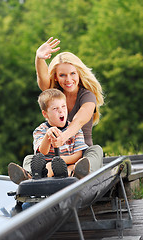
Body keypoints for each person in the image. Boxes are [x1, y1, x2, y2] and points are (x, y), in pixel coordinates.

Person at [35, 37, 104, 175]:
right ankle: (30, 175)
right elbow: (43, 82)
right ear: (55, 77)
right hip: (54, 156)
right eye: (62, 75)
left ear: (79, 73)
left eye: (72, 73)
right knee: (31, 158)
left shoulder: (87, 96)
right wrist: (39, 58)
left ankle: (80, 171)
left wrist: (62, 137)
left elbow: (79, 120)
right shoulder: (55, 95)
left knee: (96, 150)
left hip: (79, 153)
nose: (68, 79)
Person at [8, 88, 89, 184]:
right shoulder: (40, 130)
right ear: (45, 114)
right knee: (29, 158)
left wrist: (59, 161)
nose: (61, 111)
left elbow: (78, 155)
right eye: (55, 109)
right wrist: (47, 137)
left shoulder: (74, 129)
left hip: (69, 163)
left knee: (76, 164)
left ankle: (70, 175)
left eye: (63, 106)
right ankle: (30, 177)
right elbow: (42, 152)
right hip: (46, 165)